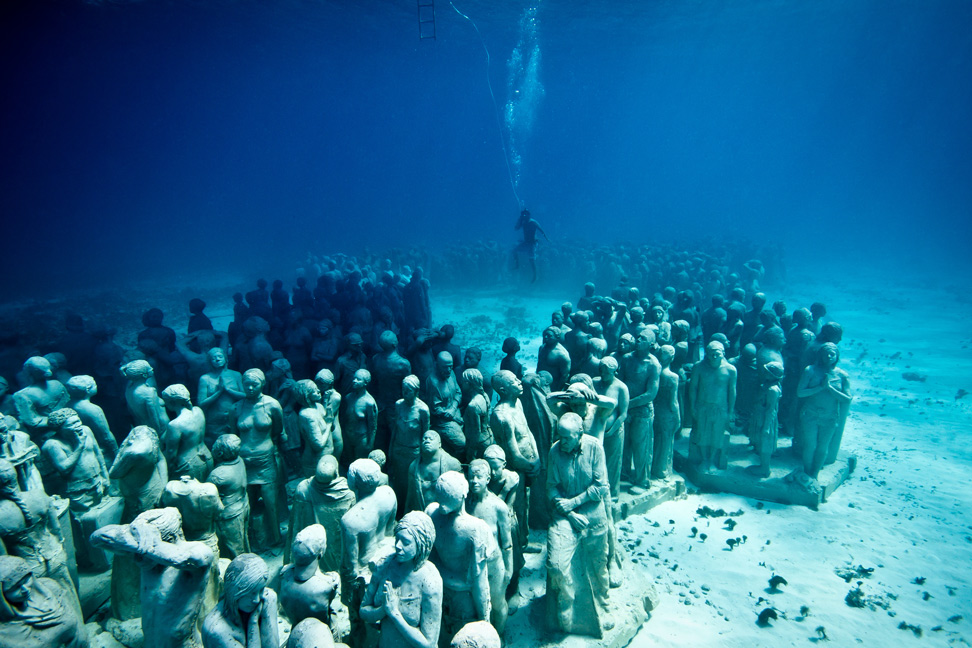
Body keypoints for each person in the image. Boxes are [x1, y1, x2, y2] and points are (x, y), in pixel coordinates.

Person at [92, 507, 216, 648]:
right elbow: (97, 538)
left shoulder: (196, 552)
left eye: (142, 550)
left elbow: (187, 558)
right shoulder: (150, 560)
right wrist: (139, 530)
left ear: (171, 539)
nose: (137, 558)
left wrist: (150, 545)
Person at [546, 412, 613, 636]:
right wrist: (569, 512)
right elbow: (551, 488)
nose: (561, 441)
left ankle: (603, 604)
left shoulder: (595, 448)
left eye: (567, 437)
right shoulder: (555, 451)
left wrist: (573, 503)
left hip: (592, 511)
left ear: (579, 434)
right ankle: (566, 598)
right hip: (564, 514)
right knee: (555, 565)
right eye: (560, 436)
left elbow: (600, 487)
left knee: (598, 562)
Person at [360, 511, 443, 648]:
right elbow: (363, 610)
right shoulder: (385, 565)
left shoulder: (429, 579)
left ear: (421, 544)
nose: (398, 546)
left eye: (405, 542)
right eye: (397, 539)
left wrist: (394, 613)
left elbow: (429, 643)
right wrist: (382, 610)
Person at [426, 471, 491, 643]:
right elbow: (480, 581)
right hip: (464, 600)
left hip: (437, 591)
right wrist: (485, 619)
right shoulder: (476, 529)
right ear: (464, 493)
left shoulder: (431, 512)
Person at [233, 369, 284, 547]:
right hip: (244, 461)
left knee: (271, 501)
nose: (250, 388)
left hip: (265, 459)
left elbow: (278, 428)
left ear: (262, 384)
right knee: (247, 502)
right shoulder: (238, 407)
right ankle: (251, 540)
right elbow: (234, 433)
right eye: (246, 384)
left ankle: (276, 539)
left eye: (254, 384)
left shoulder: (272, 405)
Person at [465, 459, 512, 635]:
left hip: (494, 564)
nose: (474, 481)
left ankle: (498, 637)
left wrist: (509, 569)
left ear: (488, 478)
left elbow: (507, 543)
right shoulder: (465, 502)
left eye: (478, 477)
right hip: (472, 563)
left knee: (497, 603)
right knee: (476, 604)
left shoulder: (498, 506)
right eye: (471, 477)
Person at [279, 524, 348, 644]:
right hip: (321, 635)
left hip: (296, 629)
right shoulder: (328, 584)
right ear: (321, 552)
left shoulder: (284, 575)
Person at [0, 555, 88, 648]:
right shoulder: (4, 629)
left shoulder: (50, 588)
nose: (25, 589)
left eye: (26, 580)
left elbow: (78, 626)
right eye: (15, 588)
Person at [797, 343, 851, 482]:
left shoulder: (842, 375)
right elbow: (800, 392)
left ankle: (814, 475)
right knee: (810, 445)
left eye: (832, 354)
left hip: (830, 417)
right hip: (810, 414)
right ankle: (806, 472)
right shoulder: (810, 370)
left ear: (837, 356)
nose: (829, 356)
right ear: (820, 355)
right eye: (826, 353)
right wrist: (820, 388)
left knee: (823, 446)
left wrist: (830, 389)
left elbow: (847, 399)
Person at [201, 553, 278, 648]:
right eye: (251, 593)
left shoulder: (267, 598)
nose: (257, 600)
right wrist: (253, 624)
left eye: (261, 590)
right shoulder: (217, 630)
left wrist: (266, 616)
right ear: (234, 593)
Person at [689, 341, 737, 472]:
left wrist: (731, 411)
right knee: (702, 434)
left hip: (720, 408)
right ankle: (704, 460)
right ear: (706, 355)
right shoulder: (699, 367)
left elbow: (732, 392)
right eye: (711, 354)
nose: (714, 357)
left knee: (717, 435)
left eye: (717, 354)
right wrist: (692, 406)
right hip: (703, 406)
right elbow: (693, 388)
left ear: (723, 353)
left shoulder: (730, 370)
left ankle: (712, 460)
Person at [207, 435, 250, 559]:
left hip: (230, 515)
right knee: (242, 540)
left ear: (220, 453)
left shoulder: (218, 475)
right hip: (243, 505)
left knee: (235, 548)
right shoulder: (239, 460)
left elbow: (206, 493)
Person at [160, 385, 212, 481]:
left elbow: (171, 456)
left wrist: (167, 474)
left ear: (171, 402)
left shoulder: (175, 424)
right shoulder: (198, 411)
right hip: (207, 458)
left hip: (188, 466)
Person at [197, 348, 245, 448]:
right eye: (214, 358)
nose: (217, 359)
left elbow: (245, 396)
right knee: (217, 448)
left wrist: (228, 390)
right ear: (210, 361)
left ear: (225, 358)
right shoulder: (205, 378)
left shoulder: (236, 375)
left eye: (220, 357)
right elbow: (201, 403)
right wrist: (219, 392)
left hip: (235, 418)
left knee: (236, 446)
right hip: (214, 422)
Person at [512, 209, 549, 283]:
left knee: (531, 260)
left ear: (529, 215)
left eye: (526, 215)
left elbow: (541, 230)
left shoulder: (533, 222)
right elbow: (516, 228)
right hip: (526, 242)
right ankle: (517, 265)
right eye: (523, 215)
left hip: (533, 243)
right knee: (514, 251)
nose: (525, 216)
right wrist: (519, 220)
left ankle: (535, 276)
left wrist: (547, 239)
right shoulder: (523, 222)